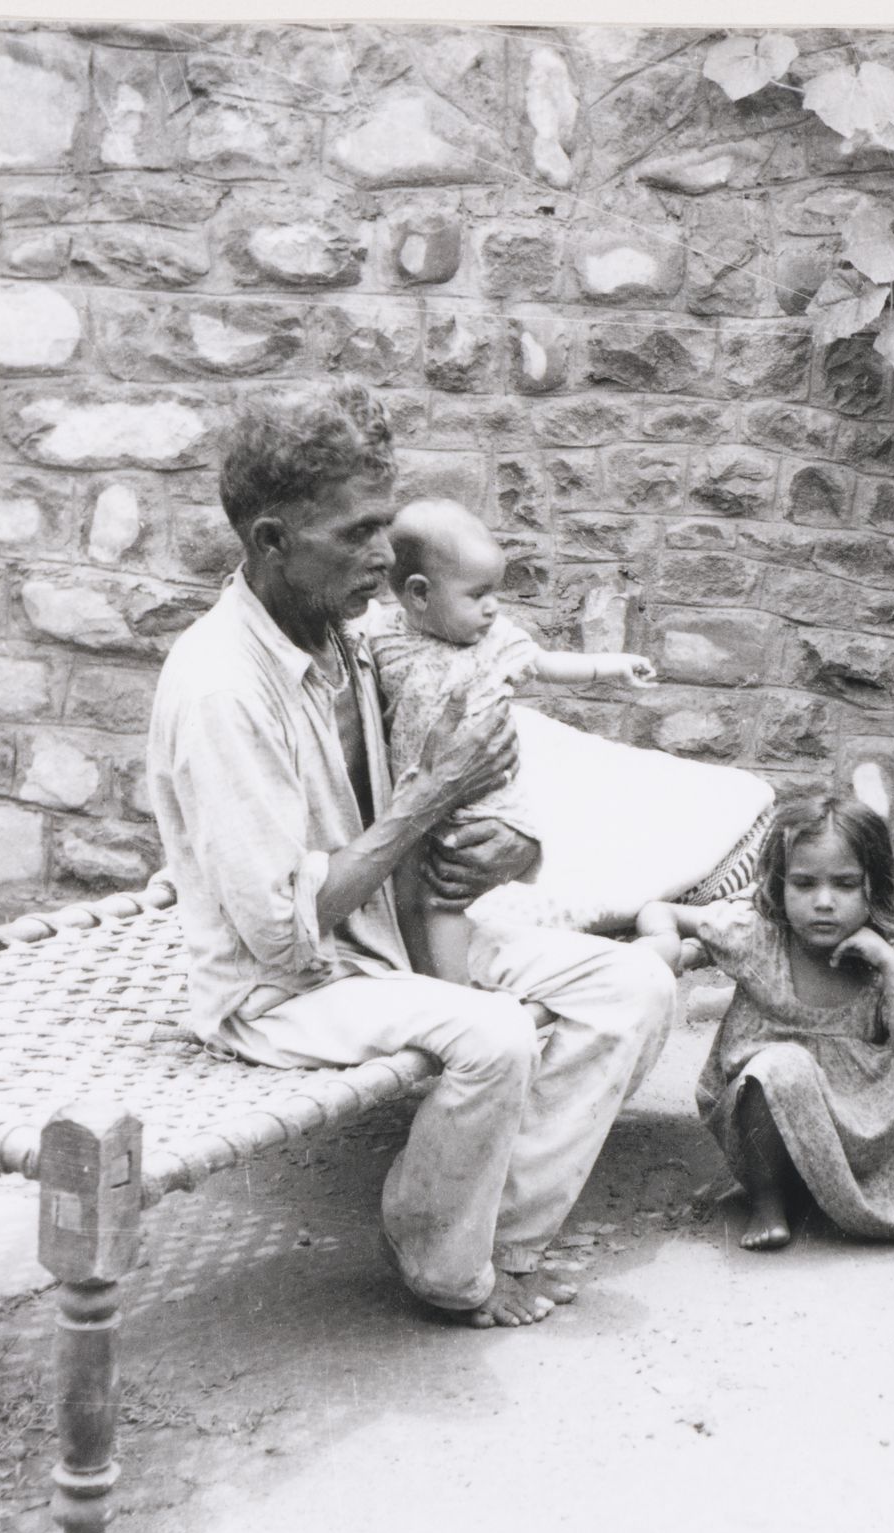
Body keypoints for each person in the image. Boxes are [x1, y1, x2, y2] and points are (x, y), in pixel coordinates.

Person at [147, 383, 675, 1330]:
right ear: (270, 540)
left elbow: (462, 760)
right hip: (284, 990)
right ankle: (445, 1263)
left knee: (637, 985)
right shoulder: (221, 688)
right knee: (497, 1033)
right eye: (354, 535)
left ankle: (491, 1234)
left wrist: (512, 849)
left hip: (390, 935)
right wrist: (429, 795)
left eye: (384, 526)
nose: (384, 557)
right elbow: (280, 936)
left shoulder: (353, 635)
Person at [635, 793, 894, 1251]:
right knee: (780, 1068)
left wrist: (888, 966)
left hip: (858, 1131)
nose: (823, 902)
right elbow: (661, 910)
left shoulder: (889, 959)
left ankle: (847, 1194)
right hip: (765, 1119)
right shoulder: (758, 938)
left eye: (844, 884)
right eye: (803, 884)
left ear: (873, 887)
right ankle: (768, 1199)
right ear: (779, 886)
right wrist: (663, 938)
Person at [369, 497, 657, 985]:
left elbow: (545, 664)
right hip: (417, 797)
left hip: (482, 803)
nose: (493, 606)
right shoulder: (382, 634)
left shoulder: (496, 641)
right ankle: (419, 973)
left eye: (494, 592)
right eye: (477, 594)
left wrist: (611, 665)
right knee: (409, 891)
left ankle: (452, 991)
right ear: (418, 594)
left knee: (444, 897)